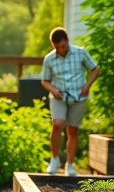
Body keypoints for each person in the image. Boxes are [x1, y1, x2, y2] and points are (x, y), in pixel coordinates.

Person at [41, 27, 100, 176]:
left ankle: (70, 165)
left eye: (63, 46)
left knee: (72, 130)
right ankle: (54, 160)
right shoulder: (49, 59)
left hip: (78, 96)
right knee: (58, 124)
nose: (60, 50)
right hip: (58, 96)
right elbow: (45, 81)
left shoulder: (80, 53)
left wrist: (87, 86)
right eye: (57, 47)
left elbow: (95, 69)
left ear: (67, 41)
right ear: (53, 45)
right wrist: (53, 90)